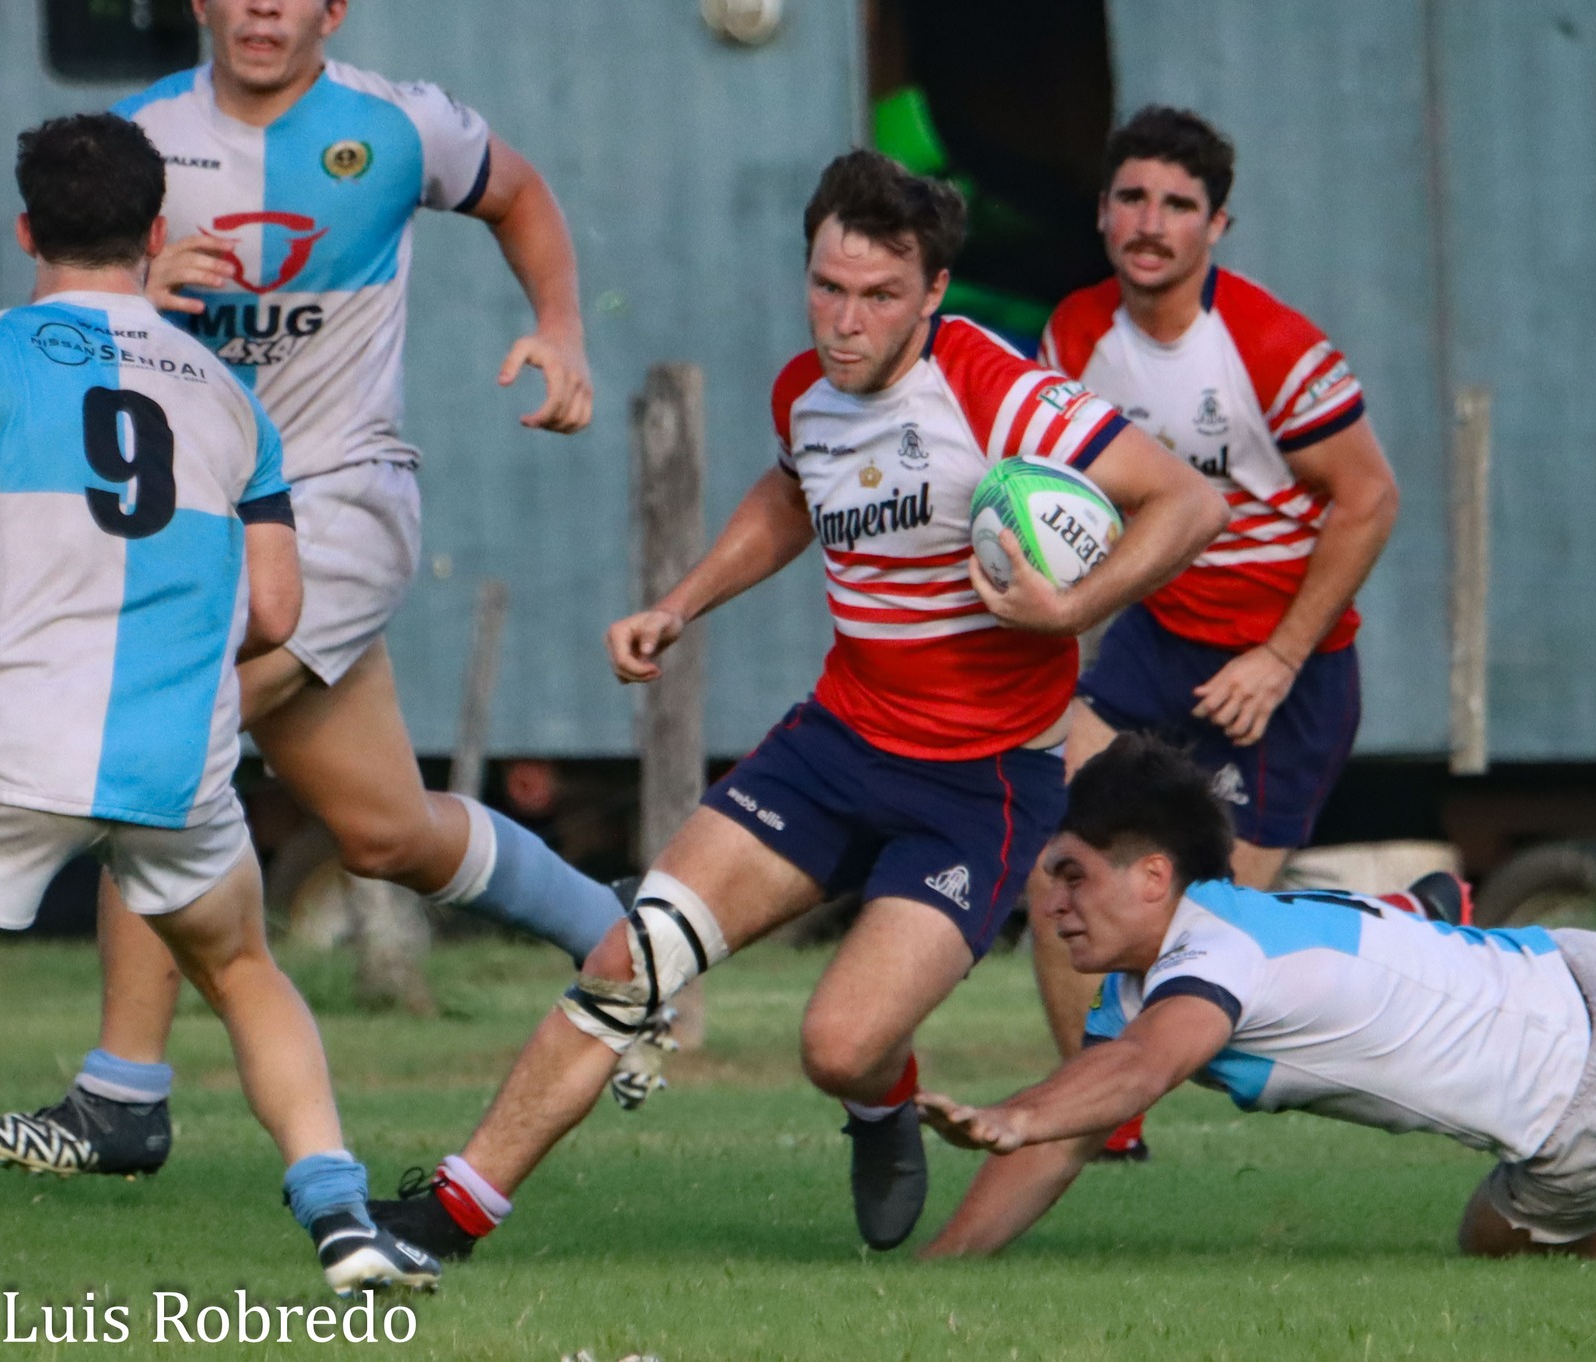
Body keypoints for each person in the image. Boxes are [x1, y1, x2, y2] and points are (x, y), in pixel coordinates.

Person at [366, 149, 1227, 1260]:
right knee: (630, 965)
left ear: (931, 294)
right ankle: (446, 1216)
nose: (845, 321)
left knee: (838, 1044)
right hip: (828, 749)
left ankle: (879, 1102)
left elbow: (1186, 502)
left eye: (878, 296)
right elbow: (791, 493)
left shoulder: (991, 387)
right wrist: (681, 603)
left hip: (975, 791)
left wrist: (1071, 611)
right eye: (827, 287)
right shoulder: (805, 395)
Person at [0, 0, 628, 1178]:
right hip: (205, 513)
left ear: (332, 11)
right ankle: (619, 935)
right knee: (386, 830)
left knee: (170, 722)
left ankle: (122, 1095)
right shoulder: (141, 135)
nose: (262, 9)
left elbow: (522, 195)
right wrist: (149, 280)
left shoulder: (400, 127)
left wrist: (561, 329)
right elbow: (79, 309)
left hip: (339, 500)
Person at [911, 730, 1596, 1266]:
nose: (1045, 899)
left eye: (1068, 873)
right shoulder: (1232, 933)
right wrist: (940, 1273)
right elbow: (1085, 1111)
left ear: (1151, 877)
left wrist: (1022, 1111)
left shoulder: (1208, 964)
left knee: (1495, 1244)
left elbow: (1141, 1073)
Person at [0, 113, 436, 1294]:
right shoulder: (230, 396)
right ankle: (343, 1219)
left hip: (17, 745)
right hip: (169, 760)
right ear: (155, 235)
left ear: (26, 227)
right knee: (244, 969)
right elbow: (280, 610)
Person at [1030, 106, 1401, 1159]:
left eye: (1178, 206)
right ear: (1102, 213)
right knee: (1061, 864)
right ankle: (1097, 1122)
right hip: (1154, 642)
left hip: (1288, 665)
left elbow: (1368, 499)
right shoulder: (1068, 335)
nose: (1151, 223)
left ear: (1217, 225)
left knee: (1213, 936)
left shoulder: (1270, 346)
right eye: (1133, 199)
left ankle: (1412, 913)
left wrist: (1278, 659)